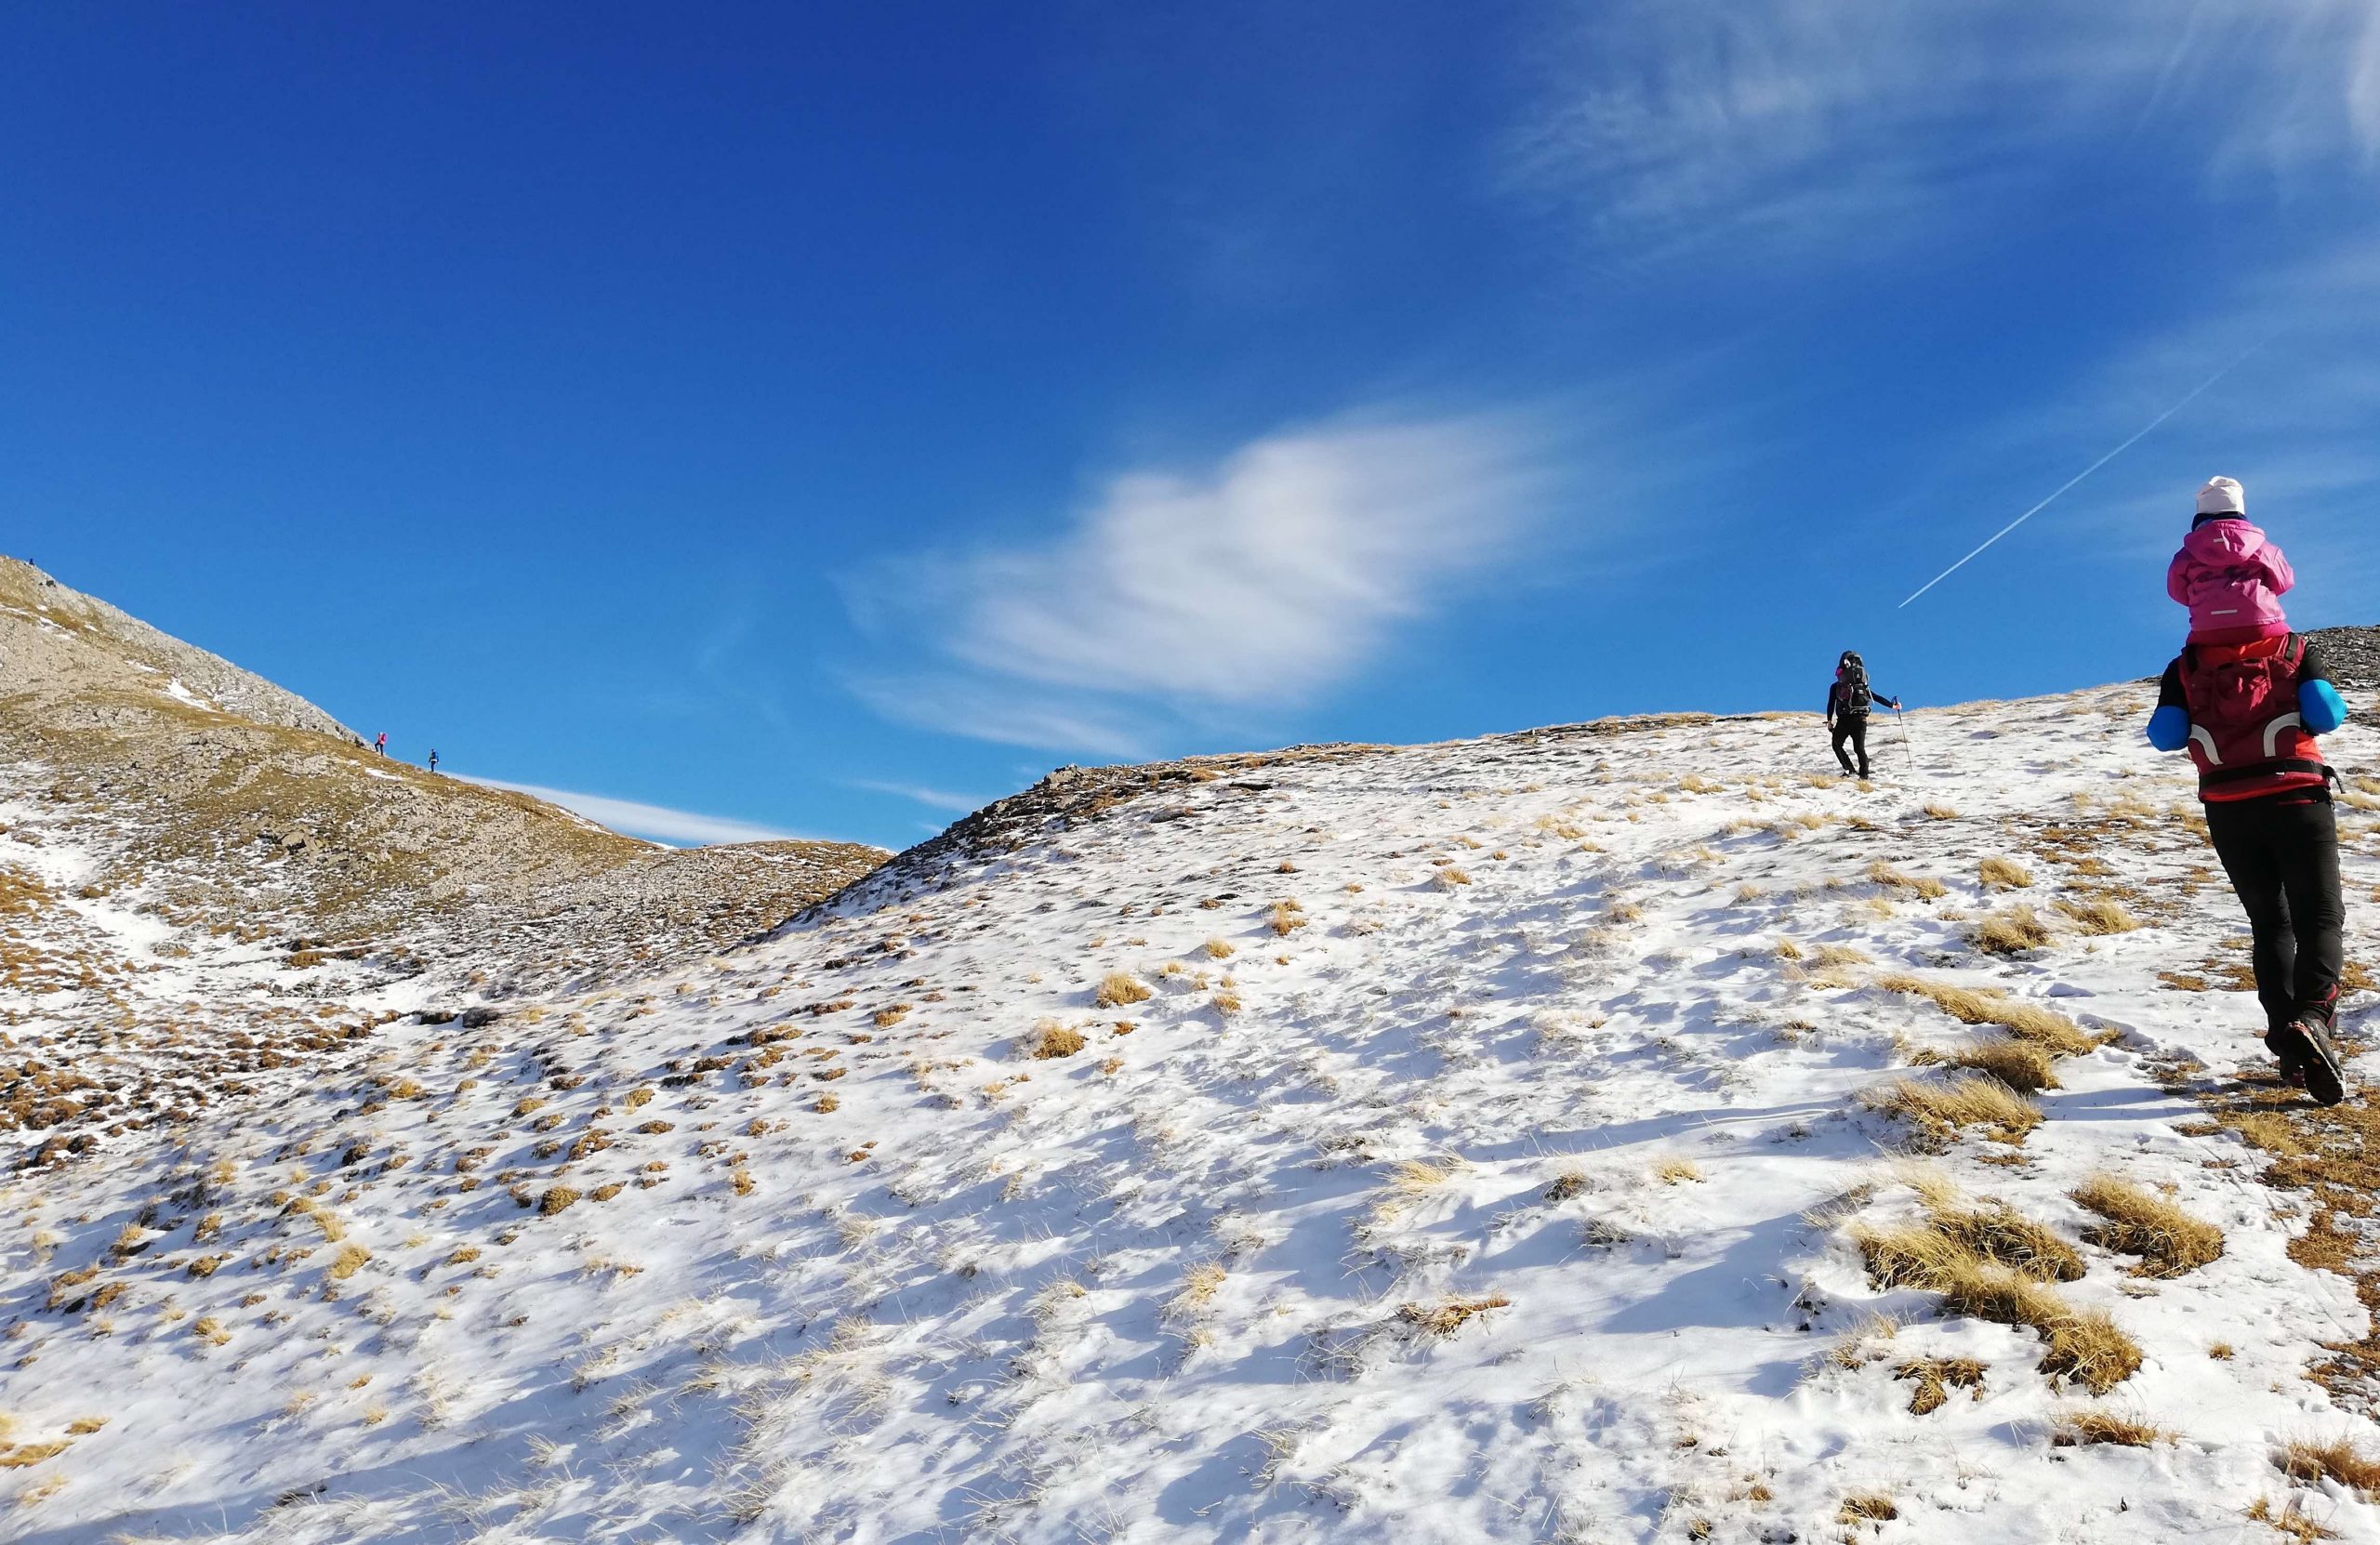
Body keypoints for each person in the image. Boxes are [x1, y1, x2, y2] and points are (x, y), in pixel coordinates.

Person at [2148, 475, 2352, 1104]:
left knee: (2270, 922)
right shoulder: (2291, 647)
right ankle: (2313, 1017)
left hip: (2228, 806)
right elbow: (2327, 716)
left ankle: (2288, 1043)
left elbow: (2163, 735)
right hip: (2295, 793)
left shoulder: (2184, 667)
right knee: (2320, 914)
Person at [1825, 651, 1902, 779]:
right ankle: (1864, 775)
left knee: (1837, 744)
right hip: (1861, 719)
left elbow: (1831, 703)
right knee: (1859, 748)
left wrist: (1829, 721)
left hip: (1845, 719)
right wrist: (1893, 706)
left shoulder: (1836, 686)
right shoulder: (1863, 686)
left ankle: (1849, 769)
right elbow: (1875, 697)